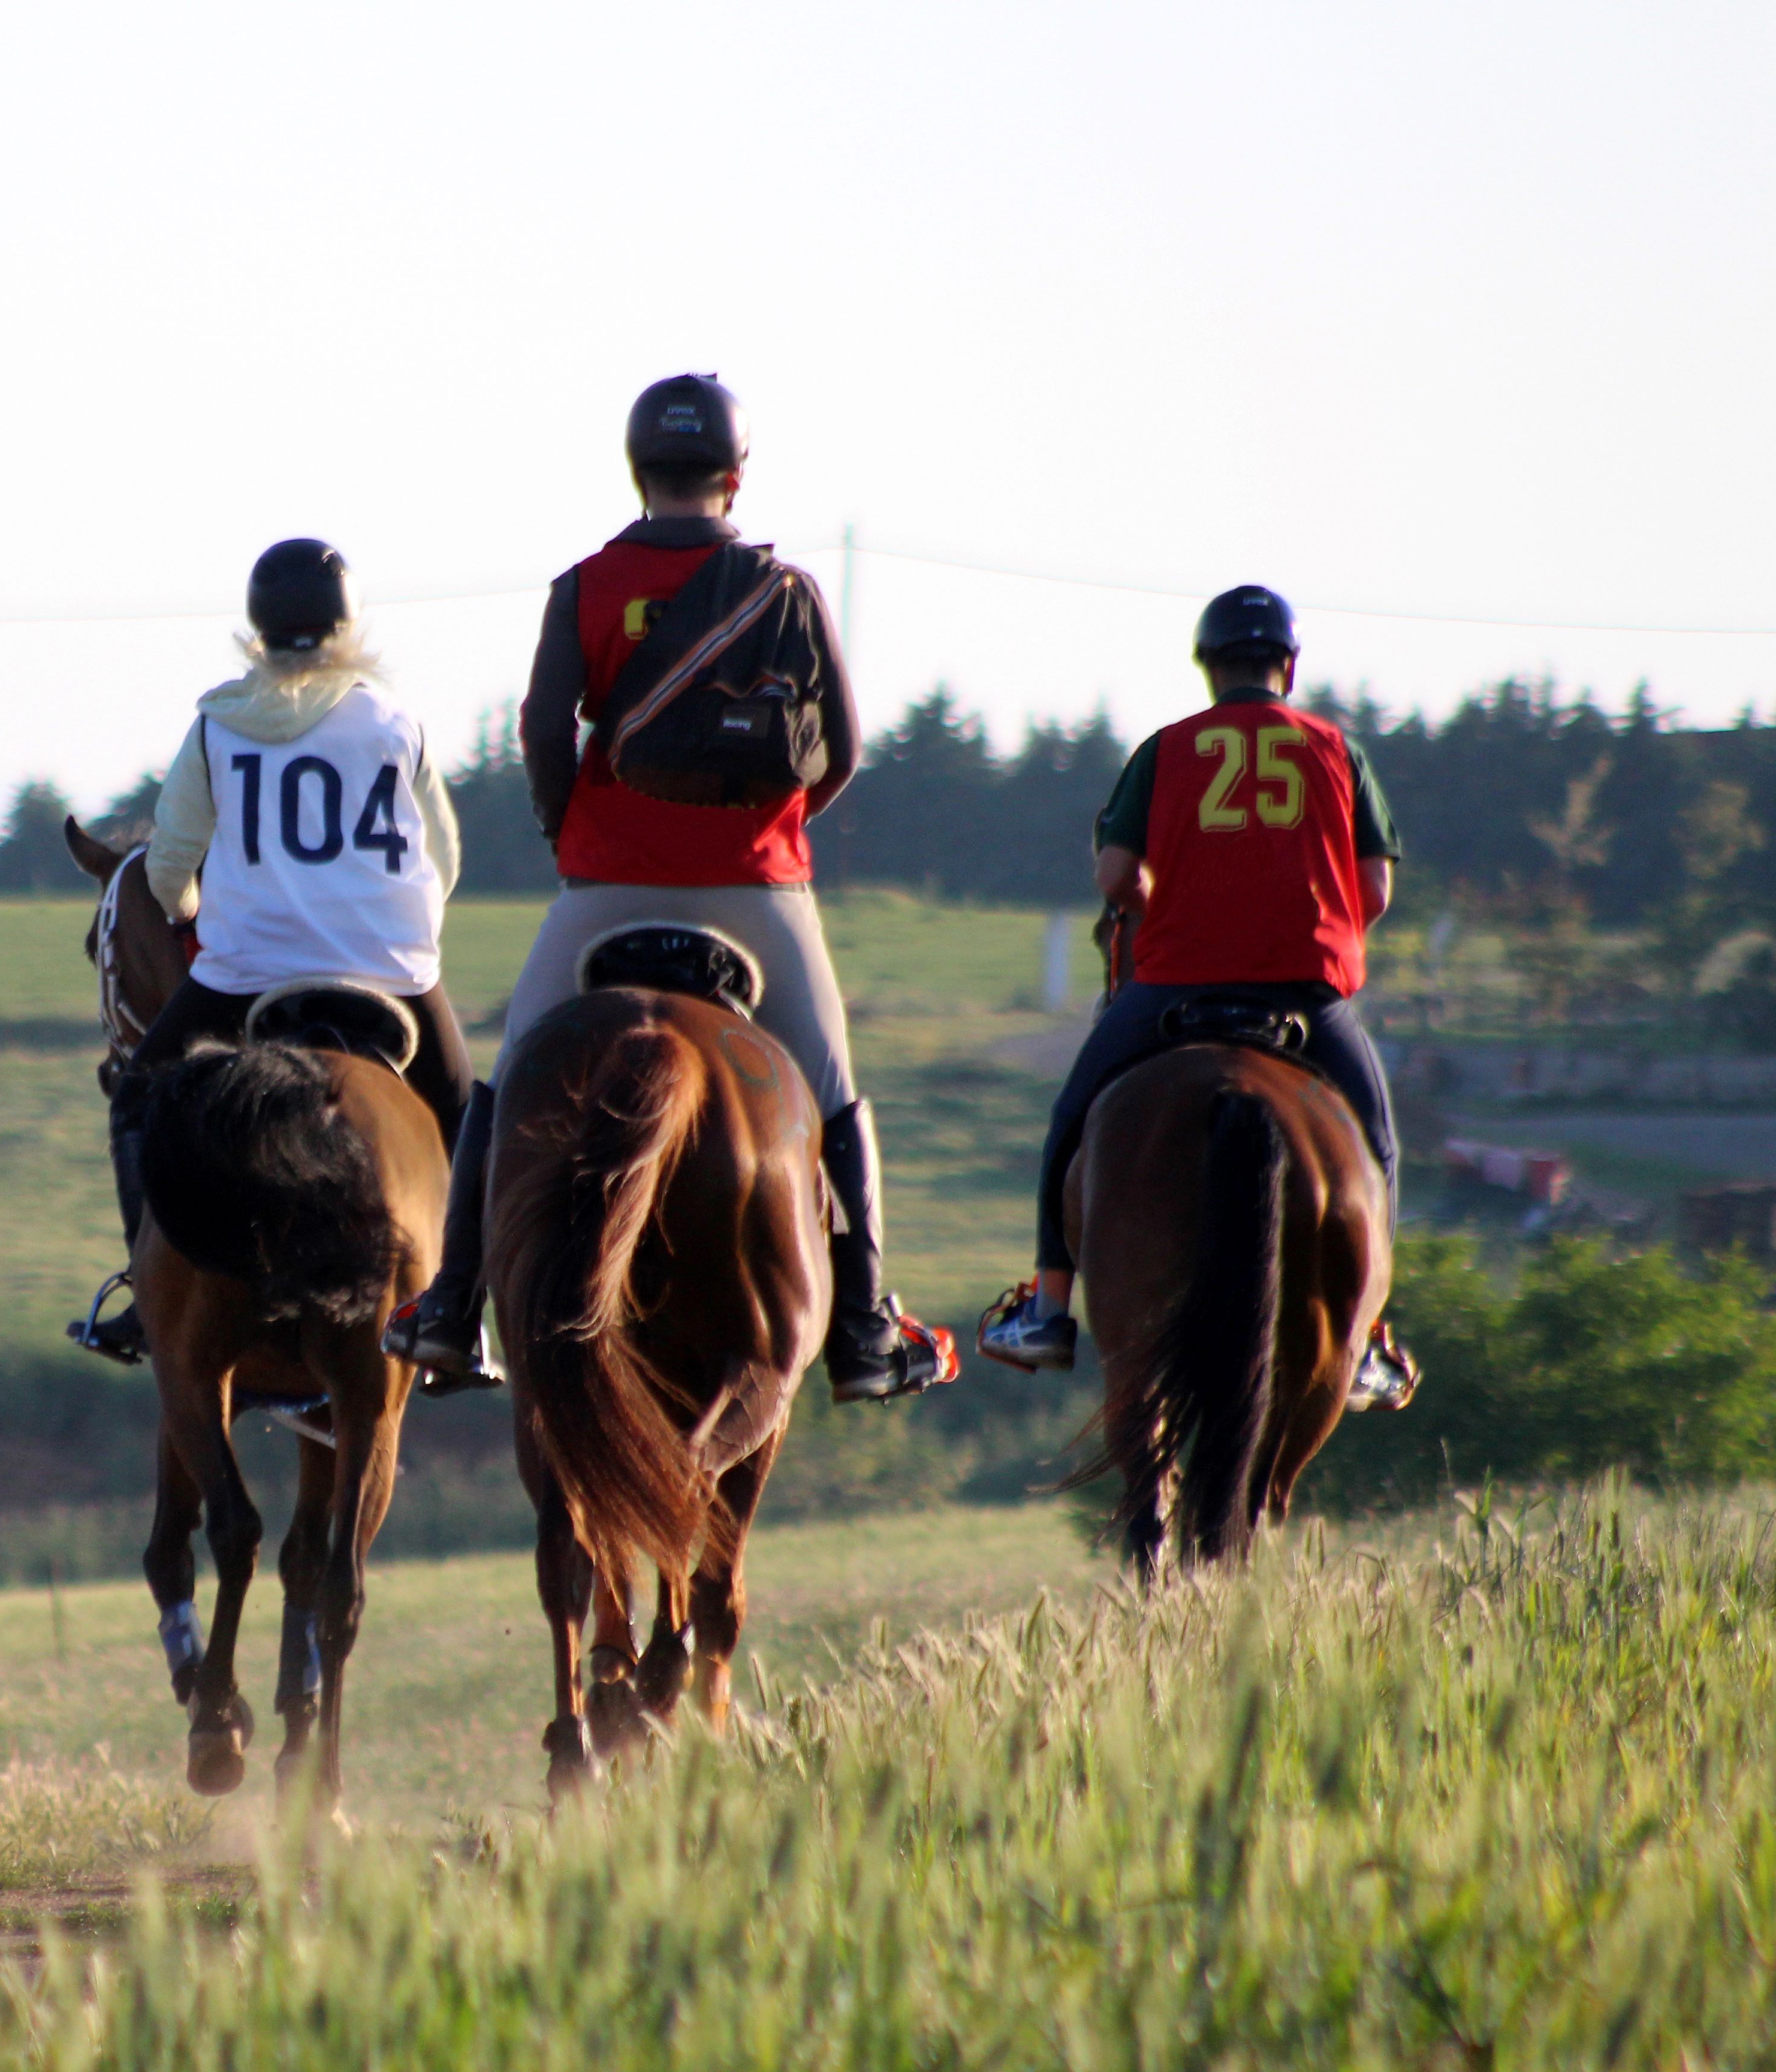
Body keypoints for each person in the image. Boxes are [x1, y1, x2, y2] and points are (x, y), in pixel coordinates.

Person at [382, 373, 955, 1402]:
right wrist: (770, 831)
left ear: (638, 471)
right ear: (737, 478)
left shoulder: (586, 584)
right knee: (830, 1099)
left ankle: (451, 1306)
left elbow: (543, 729)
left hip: (607, 884)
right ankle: (868, 1330)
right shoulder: (786, 591)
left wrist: (578, 833)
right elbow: (845, 753)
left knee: (506, 1088)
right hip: (759, 890)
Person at [975, 583, 1413, 1404]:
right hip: (1306, 992)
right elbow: (1376, 892)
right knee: (1379, 1146)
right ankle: (1366, 1340)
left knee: (1072, 1120)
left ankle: (1047, 1309)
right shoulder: (1336, 750)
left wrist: (1171, 908)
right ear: (1288, 665)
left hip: (1177, 983)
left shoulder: (1166, 748)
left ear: (1209, 668)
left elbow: (1115, 877)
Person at [68, 538, 469, 1364]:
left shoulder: (217, 725)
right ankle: (459, 1308)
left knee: (138, 1097)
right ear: (346, 624)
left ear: (259, 629)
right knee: (466, 1112)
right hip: (389, 970)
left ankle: (148, 1301)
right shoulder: (398, 723)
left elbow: (171, 865)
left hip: (247, 972)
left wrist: (192, 916)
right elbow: (444, 860)